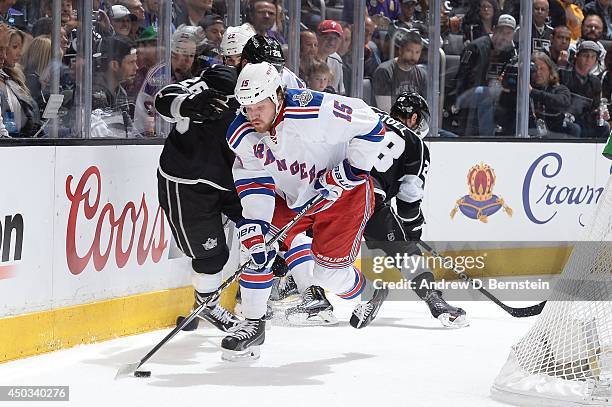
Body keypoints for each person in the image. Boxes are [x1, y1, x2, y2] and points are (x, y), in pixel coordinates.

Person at [223, 62, 385, 360]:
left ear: (277, 96)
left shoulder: (313, 108)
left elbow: (372, 123)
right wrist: (255, 224)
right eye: (246, 107)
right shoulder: (241, 132)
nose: (252, 115)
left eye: (258, 105)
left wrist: (351, 170)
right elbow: (255, 180)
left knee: (327, 276)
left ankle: (370, 292)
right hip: (294, 196)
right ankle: (253, 326)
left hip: (343, 197)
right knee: (255, 245)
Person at [352, 92, 468, 329]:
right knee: (403, 249)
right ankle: (435, 302)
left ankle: (307, 292)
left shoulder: (369, 115)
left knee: (311, 240)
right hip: (369, 198)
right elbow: (408, 202)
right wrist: (412, 229)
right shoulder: (416, 143)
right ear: (413, 118)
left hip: (333, 188)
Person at [154, 64, 243, 333]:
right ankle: (207, 305)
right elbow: (164, 99)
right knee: (211, 256)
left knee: (261, 228)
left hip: (228, 179)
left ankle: (254, 297)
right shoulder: (200, 88)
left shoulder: (248, 90)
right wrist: (187, 105)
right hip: (189, 185)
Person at [454, 14, 517, 137]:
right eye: (501, 31)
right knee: (484, 93)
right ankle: (487, 138)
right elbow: (462, 81)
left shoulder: (512, 52)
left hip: (499, 100)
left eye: (508, 33)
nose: (504, 37)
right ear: (493, 29)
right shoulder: (475, 47)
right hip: (470, 98)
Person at [560, 40, 610, 138]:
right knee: (575, 128)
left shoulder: (595, 82)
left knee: (605, 126)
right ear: (577, 56)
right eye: (585, 55)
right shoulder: (564, 75)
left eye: (593, 57)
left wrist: (600, 113)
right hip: (564, 119)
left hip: (584, 120)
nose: (588, 59)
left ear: (596, 61)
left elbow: (594, 109)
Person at [91, 35, 138, 137]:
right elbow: (107, 136)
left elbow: (129, 131)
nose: (136, 67)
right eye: (131, 62)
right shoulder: (95, 92)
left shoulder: (120, 92)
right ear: (114, 65)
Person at [372, 30, 427, 113]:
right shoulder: (384, 71)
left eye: (417, 52)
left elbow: (425, 107)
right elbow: (384, 110)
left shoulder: (422, 74)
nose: (413, 56)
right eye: (409, 51)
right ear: (400, 50)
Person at [239, 34, 305, 89]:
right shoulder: (230, 82)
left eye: (277, 69)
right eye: (266, 69)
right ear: (245, 65)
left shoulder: (287, 78)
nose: (273, 75)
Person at [316, 19, 344, 95]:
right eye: (326, 37)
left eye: (335, 38)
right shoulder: (308, 57)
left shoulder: (336, 60)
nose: (331, 42)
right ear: (317, 37)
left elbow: (339, 93)